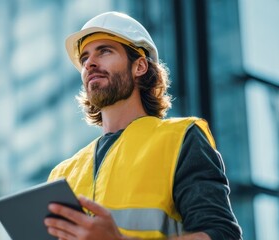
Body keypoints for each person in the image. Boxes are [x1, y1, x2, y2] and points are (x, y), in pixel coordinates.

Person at [43, 12, 242, 240]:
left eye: (105, 51)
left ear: (139, 66)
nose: (90, 63)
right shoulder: (62, 174)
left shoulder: (180, 138)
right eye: (85, 58)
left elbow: (222, 234)